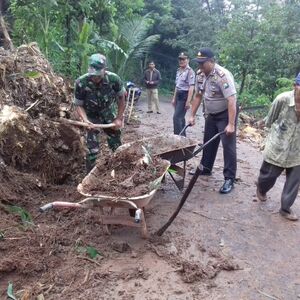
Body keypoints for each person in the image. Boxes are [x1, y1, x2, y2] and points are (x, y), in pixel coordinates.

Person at [189, 48, 238, 194]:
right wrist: (192, 115)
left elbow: (231, 99)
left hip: (225, 114)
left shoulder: (222, 76)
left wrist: (231, 123)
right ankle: (206, 168)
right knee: (208, 141)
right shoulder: (200, 75)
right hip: (211, 113)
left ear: (211, 61)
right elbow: (198, 96)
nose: (200, 66)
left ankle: (229, 179)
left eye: (203, 63)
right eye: (198, 63)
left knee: (228, 146)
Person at [255, 73, 300, 221]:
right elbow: (270, 119)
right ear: (295, 86)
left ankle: (285, 208)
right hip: (279, 145)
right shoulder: (282, 99)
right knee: (269, 176)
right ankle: (261, 188)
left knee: (294, 181)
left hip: (297, 150)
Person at [73, 53, 126, 172]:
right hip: (91, 116)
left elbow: (121, 99)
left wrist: (118, 118)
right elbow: (79, 105)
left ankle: (120, 170)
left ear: (105, 70)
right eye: (93, 75)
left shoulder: (114, 79)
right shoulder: (81, 82)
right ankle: (90, 177)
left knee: (116, 143)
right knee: (92, 150)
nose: (95, 78)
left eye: (98, 75)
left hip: (108, 113)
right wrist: (85, 120)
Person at [172, 52, 195, 136]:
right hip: (178, 95)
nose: (181, 61)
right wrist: (174, 98)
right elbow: (177, 86)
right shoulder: (178, 70)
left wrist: (188, 101)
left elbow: (191, 87)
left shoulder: (190, 72)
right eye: (180, 59)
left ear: (188, 60)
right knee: (180, 118)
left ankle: (177, 137)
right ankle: (183, 137)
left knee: (176, 117)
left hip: (184, 96)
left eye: (183, 59)